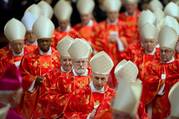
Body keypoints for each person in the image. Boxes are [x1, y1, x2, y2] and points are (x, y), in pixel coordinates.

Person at [19, 16, 60, 118]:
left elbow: (65, 75)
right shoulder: (28, 58)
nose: (44, 43)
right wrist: (34, 80)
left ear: (51, 40)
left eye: (47, 41)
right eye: (42, 41)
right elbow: (21, 76)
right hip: (35, 100)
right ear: (37, 41)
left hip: (53, 99)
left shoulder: (59, 56)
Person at [141, 26, 179, 119]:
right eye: (162, 51)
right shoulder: (152, 66)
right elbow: (147, 83)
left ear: (173, 51)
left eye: (167, 51)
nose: (163, 54)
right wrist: (159, 82)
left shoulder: (177, 65)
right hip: (156, 106)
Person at [63, 51, 115, 119]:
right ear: (91, 76)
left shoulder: (113, 96)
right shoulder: (79, 93)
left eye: (102, 79)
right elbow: (68, 114)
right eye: (97, 78)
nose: (99, 82)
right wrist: (88, 117)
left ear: (107, 78)